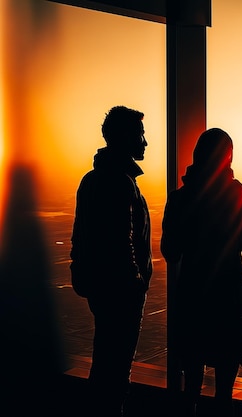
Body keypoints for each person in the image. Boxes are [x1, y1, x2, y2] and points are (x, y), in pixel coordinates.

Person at [161, 128, 242, 416]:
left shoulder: (180, 199)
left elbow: (171, 252)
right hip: (227, 303)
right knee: (223, 396)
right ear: (228, 158)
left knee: (190, 389)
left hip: (192, 299)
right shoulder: (238, 199)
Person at [70, 105, 152, 416]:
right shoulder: (121, 182)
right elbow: (122, 240)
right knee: (116, 371)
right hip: (120, 292)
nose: (145, 142)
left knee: (105, 362)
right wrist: (135, 283)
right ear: (126, 138)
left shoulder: (92, 179)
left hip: (101, 287)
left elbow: (81, 235)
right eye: (140, 135)